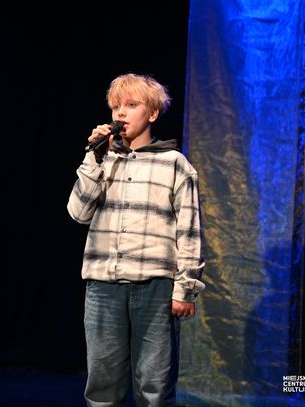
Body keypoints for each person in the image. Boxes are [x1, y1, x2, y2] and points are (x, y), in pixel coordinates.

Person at [67, 73, 205, 406]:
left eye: (131, 105)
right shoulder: (102, 159)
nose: (120, 113)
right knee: (102, 386)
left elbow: (189, 230)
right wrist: (94, 159)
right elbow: (78, 213)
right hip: (104, 286)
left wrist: (185, 289)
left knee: (154, 387)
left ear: (152, 113)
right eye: (116, 106)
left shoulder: (174, 164)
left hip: (154, 287)